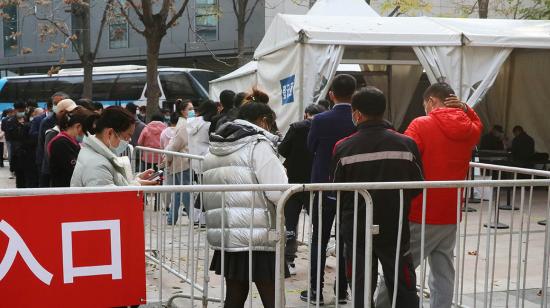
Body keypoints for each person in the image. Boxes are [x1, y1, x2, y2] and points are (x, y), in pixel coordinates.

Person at [377, 82, 482, 308]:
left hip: (420, 209)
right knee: (443, 271)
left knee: (398, 266)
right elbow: (477, 123)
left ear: (432, 101)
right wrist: (465, 108)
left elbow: (402, 154)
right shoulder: (470, 129)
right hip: (451, 210)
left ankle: (381, 304)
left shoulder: (421, 124)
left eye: (425, 104)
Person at [332, 87, 423, 307]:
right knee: (402, 282)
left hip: (356, 227)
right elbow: (418, 185)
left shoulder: (343, 147)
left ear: (357, 114)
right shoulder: (406, 144)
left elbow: (337, 190)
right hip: (395, 224)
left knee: (361, 283)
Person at [203, 94, 289, 308]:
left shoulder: (214, 147)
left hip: (228, 233)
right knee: (273, 297)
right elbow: (278, 192)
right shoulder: (258, 146)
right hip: (258, 233)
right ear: (263, 121)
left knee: (235, 294)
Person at [302, 74, 357, 304]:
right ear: (354, 94)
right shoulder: (358, 119)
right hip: (352, 186)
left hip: (323, 185)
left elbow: (310, 147)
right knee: (346, 239)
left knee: (319, 239)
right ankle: (342, 291)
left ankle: (315, 291)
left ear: (331, 94)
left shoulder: (320, 120)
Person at [278, 103, 326, 275]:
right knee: (318, 223)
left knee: (290, 222)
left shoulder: (296, 128)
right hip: (316, 181)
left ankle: (288, 259)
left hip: (294, 181)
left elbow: (282, 149)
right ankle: (318, 259)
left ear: (306, 114)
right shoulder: (325, 127)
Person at [71, 106, 157, 187]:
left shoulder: (97, 154)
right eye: (127, 136)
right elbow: (109, 199)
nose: (129, 140)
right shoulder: (98, 166)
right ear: (110, 133)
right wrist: (138, 186)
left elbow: (115, 184)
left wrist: (137, 179)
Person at [48, 107, 97, 187]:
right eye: (87, 128)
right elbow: (75, 170)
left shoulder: (72, 142)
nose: (88, 132)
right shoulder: (60, 143)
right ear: (78, 126)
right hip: (64, 191)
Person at [165, 99, 193, 225]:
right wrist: (168, 158)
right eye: (190, 109)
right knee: (185, 191)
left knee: (177, 191)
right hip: (182, 161)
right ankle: (194, 217)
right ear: (183, 111)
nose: (193, 111)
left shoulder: (183, 124)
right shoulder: (183, 126)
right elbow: (175, 145)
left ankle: (172, 218)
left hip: (179, 161)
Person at [37, 92, 70, 187]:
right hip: (49, 167)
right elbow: (43, 145)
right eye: (55, 104)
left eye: (60, 103)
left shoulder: (72, 120)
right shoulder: (47, 122)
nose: (57, 106)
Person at [3, 102, 31, 188]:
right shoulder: (9, 121)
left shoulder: (29, 119)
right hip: (17, 154)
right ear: (15, 110)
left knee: (29, 178)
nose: (21, 112)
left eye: (23, 110)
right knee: (19, 178)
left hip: (29, 153)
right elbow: (9, 137)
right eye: (19, 110)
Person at [1, 108, 15, 175]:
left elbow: (3, 128)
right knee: (11, 153)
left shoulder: (4, 120)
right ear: (9, 113)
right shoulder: (12, 119)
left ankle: (12, 167)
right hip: (11, 138)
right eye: (12, 112)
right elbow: (3, 128)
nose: (12, 114)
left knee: (11, 152)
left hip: (10, 138)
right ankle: (12, 167)